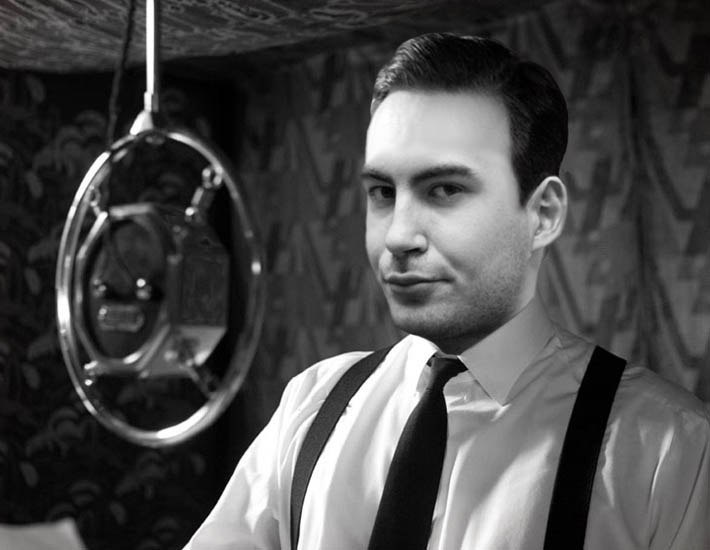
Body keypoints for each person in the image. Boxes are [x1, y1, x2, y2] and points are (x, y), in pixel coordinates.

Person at [184, 33, 710, 550]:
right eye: (382, 192)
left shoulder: (668, 451)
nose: (398, 237)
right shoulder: (313, 404)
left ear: (544, 214)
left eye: (444, 190)